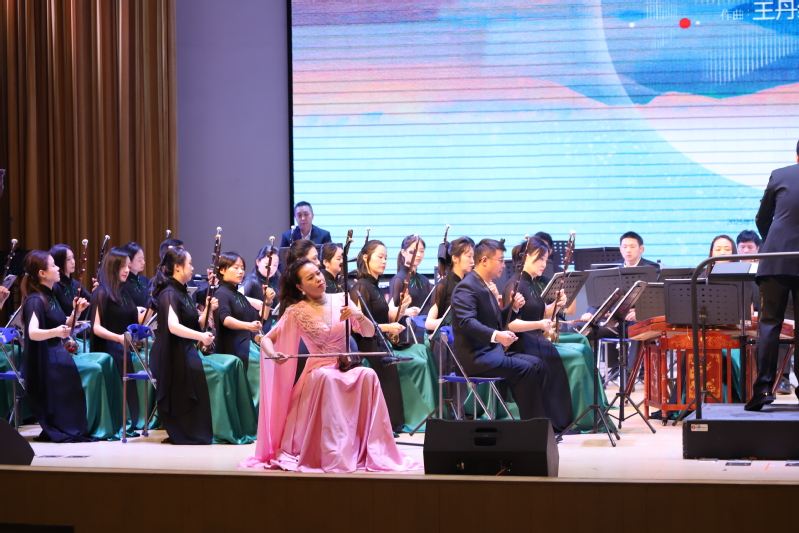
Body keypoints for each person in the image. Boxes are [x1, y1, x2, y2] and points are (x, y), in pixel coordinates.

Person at [240, 258, 420, 472]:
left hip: (346, 365)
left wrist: (359, 315)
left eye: (318, 273)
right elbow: (267, 340)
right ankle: (332, 451)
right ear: (300, 287)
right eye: (310, 278)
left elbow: (369, 332)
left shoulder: (343, 299)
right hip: (318, 369)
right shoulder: (296, 311)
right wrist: (273, 354)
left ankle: (368, 447)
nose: (319, 279)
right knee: (327, 377)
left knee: (368, 374)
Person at [503, 237, 608, 431]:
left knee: (583, 350)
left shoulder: (533, 283)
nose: (544, 264)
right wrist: (539, 324)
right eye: (540, 259)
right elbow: (510, 323)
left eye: (545, 259)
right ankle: (576, 415)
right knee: (578, 356)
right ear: (526, 257)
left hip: (537, 340)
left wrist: (556, 305)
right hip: (524, 344)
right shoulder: (515, 285)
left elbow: (542, 314)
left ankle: (591, 412)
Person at [450, 238, 548, 420]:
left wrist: (513, 308)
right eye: (501, 260)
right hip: (475, 359)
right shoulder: (466, 287)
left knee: (538, 364)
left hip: (491, 354)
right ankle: (533, 427)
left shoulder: (483, 285)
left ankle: (537, 422)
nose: (504, 265)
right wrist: (497, 336)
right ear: (484, 260)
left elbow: (493, 320)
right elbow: (466, 322)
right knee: (525, 369)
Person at [351, 240, 438, 433]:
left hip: (382, 343)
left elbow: (386, 318)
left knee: (422, 351)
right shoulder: (360, 287)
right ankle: (402, 420)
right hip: (370, 347)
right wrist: (387, 327)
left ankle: (422, 417)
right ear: (366, 258)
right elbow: (357, 327)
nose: (384, 261)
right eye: (380, 257)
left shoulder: (375, 286)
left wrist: (401, 310)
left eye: (386, 258)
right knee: (413, 362)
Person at [746, 142, 799, 411]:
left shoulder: (780, 175)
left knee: (769, 325)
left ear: (796, 155)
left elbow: (762, 218)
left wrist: (774, 244)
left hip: (776, 258)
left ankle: (764, 390)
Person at [21, 251, 94, 442]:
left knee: (99, 366)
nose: (58, 268)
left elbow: (63, 325)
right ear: (42, 273)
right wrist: (55, 332)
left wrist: (76, 312)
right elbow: (32, 333)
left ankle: (91, 424)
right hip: (45, 358)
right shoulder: (35, 300)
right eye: (53, 265)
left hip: (57, 352)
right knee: (94, 370)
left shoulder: (50, 296)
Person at [149, 247, 215, 444]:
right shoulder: (169, 293)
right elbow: (173, 327)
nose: (193, 268)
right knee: (202, 370)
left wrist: (207, 311)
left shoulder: (183, 292)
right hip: (170, 353)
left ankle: (201, 428)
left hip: (183, 349)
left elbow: (194, 323)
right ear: (177, 267)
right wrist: (201, 337)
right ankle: (190, 429)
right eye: (190, 263)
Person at [90, 247, 145, 431]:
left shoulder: (124, 292)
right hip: (108, 349)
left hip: (124, 347)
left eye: (128, 266)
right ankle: (118, 421)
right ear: (113, 266)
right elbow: (96, 327)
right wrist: (118, 338)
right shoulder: (101, 292)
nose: (127, 270)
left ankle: (131, 421)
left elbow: (134, 320)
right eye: (123, 266)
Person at [213, 252, 261, 373]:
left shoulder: (239, 295)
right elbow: (225, 319)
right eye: (236, 267)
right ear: (222, 270)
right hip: (233, 349)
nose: (240, 271)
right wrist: (248, 325)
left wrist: (268, 302)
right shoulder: (221, 293)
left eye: (242, 268)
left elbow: (256, 317)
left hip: (245, 346)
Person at [389, 235, 433, 345]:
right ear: (403, 252)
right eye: (413, 251)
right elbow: (390, 310)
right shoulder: (399, 279)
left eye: (421, 251)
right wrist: (406, 311)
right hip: (406, 334)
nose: (418, 255)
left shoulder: (424, 279)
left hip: (423, 333)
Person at [240, 244, 279, 331]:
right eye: (267, 265)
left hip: (276, 325)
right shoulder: (251, 281)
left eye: (275, 265)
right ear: (258, 262)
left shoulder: (277, 280)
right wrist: (252, 301)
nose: (271, 268)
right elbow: (237, 296)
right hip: (259, 327)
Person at [49, 244, 92, 319]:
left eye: (73, 257)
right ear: (58, 261)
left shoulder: (75, 283)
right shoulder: (54, 286)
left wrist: (97, 291)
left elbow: (91, 302)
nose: (73, 262)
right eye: (68, 259)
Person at [122, 242, 150, 308]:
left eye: (143, 258)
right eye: (139, 260)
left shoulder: (145, 280)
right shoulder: (123, 283)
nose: (143, 262)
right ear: (129, 261)